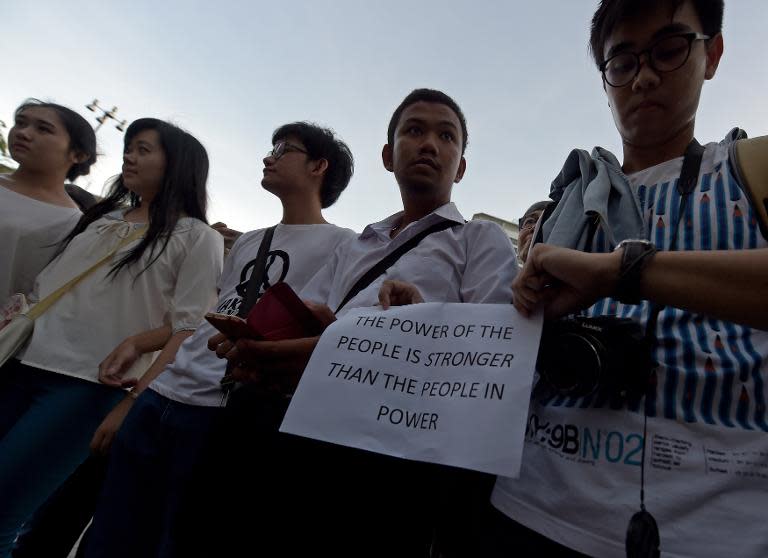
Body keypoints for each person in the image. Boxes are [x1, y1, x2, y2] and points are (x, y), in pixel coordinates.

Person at [490, 1, 768, 556]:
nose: (643, 77)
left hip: (716, 530)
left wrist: (624, 272)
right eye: (622, 62)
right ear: (605, 80)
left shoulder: (754, 169)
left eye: (668, 50)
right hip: (527, 504)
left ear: (711, 53)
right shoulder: (554, 212)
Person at [197, 88, 518, 557]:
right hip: (294, 424)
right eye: (414, 130)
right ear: (389, 156)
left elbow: (488, 353)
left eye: (446, 135)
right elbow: (313, 321)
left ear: (461, 165)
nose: (429, 143)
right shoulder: (354, 246)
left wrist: (416, 326)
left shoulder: (479, 240)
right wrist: (261, 341)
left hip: (387, 457)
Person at [83, 122, 356, 558]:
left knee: (180, 535)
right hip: (165, 391)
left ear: (319, 166)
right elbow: (213, 314)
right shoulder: (250, 241)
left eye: (283, 150)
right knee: (113, 527)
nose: (268, 157)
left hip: (223, 407)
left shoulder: (346, 245)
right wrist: (145, 389)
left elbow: (328, 327)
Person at [0, 118, 223, 558]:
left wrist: (132, 403)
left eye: (143, 149)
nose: (129, 157)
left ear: (177, 164)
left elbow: (189, 328)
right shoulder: (101, 217)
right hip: (19, 362)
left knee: (5, 511)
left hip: (85, 385)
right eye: (129, 148)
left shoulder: (197, 237)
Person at [0, 100, 97, 302]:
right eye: (20, 123)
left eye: (43, 129)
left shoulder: (72, 224)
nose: (23, 133)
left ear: (78, 154)